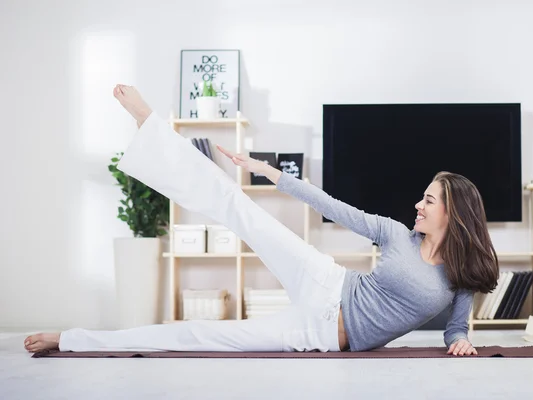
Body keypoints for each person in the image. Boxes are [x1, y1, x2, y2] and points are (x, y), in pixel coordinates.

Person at [24, 85, 499, 356]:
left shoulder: (459, 278)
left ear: (454, 213)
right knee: (240, 207)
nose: (418, 205)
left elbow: (455, 329)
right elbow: (332, 206)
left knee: (202, 336)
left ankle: (70, 339)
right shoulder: (396, 233)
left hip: (319, 335)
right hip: (325, 282)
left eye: (429, 201)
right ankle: (152, 127)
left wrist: (460, 342)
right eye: (422, 197)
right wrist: (271, 173)